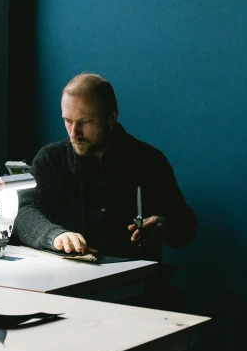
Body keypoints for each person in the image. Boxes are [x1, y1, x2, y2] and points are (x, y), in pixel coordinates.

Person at [13, 72, 197, 264]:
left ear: (111, 117)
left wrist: (165, 227)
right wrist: (54, 236)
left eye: (85, 122)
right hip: (65, 278)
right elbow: (23, 212)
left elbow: (186, 227)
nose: (74, 133)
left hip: (135, 283)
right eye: (68, 121)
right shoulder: (50, 158)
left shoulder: (148, 160)